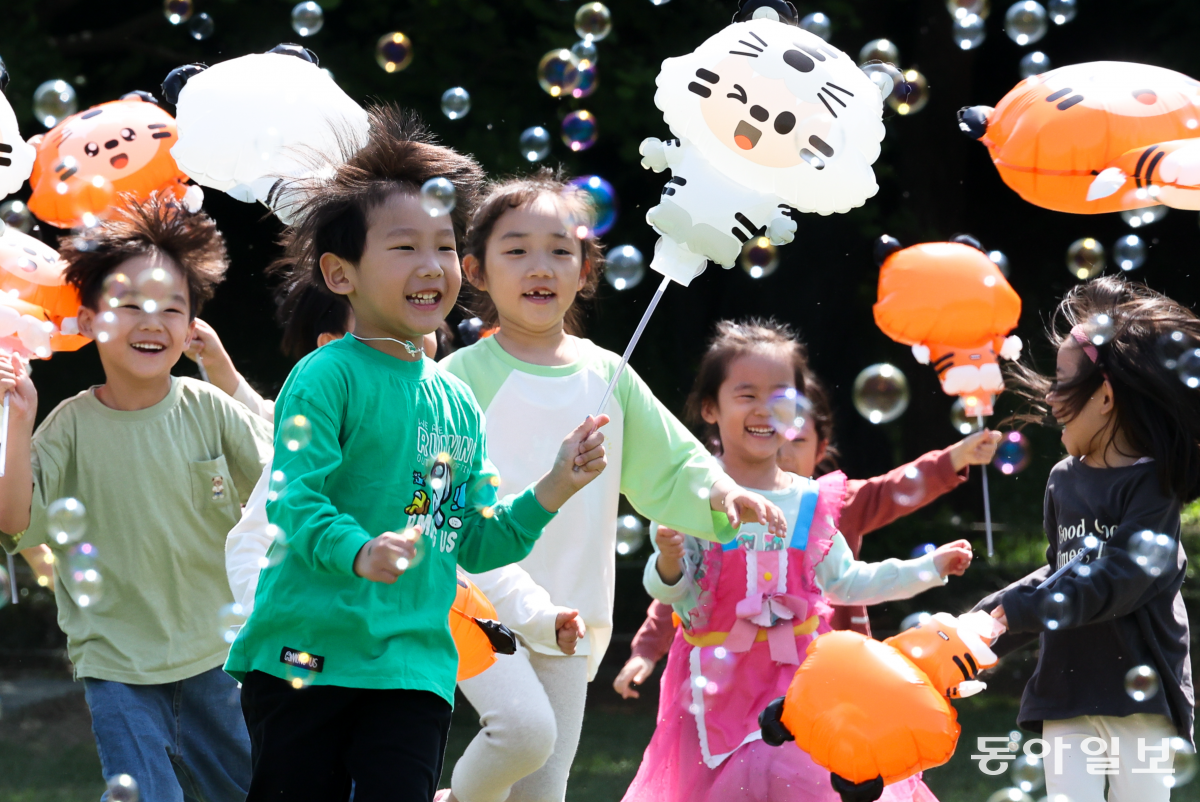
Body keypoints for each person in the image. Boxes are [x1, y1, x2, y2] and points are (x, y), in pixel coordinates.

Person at [224, 106, 610, 802]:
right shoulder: (326, 376)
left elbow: (472, 536)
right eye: (404, 247)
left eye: (442, 245)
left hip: (411, 664)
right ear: (340, 274)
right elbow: (294, 496)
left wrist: (553, 486)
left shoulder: (455, 402)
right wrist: (359, 550)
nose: (431, 265)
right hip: (306, 656)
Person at [436, 168, 787, 802]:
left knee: (542, 790)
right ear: (477, 271)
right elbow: (437, 495)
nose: (539, 267)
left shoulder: (609, 374)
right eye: (516, 250)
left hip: (576, 614)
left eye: (560, 251)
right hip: (477, 599)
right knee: (520, 733)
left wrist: (722, 494)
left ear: (585, 271)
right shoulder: (457, 377)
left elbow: (673, 463)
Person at [622, 318, 975, 802]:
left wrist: (928, 568)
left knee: (804, 781)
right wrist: (666, 559)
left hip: (805, 682)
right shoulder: (691, 499)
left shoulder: (812, 502)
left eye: (779, 395)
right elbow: (677, 594)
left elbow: (848, 583)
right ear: (710, 407)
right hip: (717, 686)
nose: (764, 409)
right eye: (745, 394)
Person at [0, 194, 273, 801]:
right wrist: (17, 422)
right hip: (116, 662)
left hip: (218, 654)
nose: (152, 322)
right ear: (92, 319)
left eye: (172, 308)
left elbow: (285, 487)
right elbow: (13, 519)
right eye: (129, 306)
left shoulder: (211, 411)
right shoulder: (68, 428)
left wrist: (226, 373)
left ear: (192, 325)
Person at [614, 373, 1001, 699]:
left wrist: (956, 457)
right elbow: (686, 595)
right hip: (732, 681)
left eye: (797, 439)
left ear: (822, 448)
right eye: (773, 435)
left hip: (828, 668)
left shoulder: (833, 502)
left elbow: (893, 490)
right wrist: (646, 650)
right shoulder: (719, 509)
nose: (782, 448)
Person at [976, 276, 1199, 802]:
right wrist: (988, 620)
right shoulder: (1063, 479)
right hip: (1065, 690)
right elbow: (1059, 574)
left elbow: (1118, 577)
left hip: (1139, 703)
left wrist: (1023, 607)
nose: (1049, 397)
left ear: (1103, 397)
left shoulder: (1151, 486)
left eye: (1061, 381)